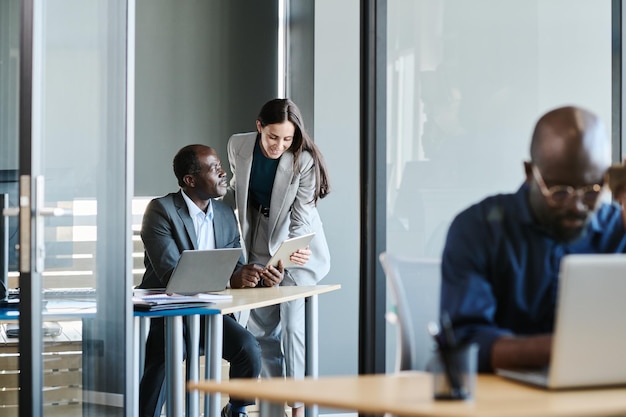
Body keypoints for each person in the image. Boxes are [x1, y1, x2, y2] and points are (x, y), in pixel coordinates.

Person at [440, 105, 626, 373]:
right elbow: (467, 341)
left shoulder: (618, 228)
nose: (577, 206)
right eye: (559, 191)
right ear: (530, 173)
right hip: (500, 401)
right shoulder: (478, 229)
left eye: (592, 191)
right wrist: (575, 348)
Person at [137, 144, 283, 417]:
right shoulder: (161, 210)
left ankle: (236, 410)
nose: (223, 172)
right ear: (190, 180)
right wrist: (231, 279)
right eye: (214, 168)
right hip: (167, 313)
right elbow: (172, 273)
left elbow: (236, 269)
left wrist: (259, 278)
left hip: (206, 313)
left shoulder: (226, 214)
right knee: (167, 354)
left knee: (248, 348)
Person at [227, 98, 331, 417]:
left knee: (292, 326)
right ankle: (273, 409)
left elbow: (300, 218)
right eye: (273, 137)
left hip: (296, 245)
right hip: (259, 232)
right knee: (263, 330)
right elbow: (237, 194)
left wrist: (282, 260)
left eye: (287, 139)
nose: (279, 145)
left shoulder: (305, 160)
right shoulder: (238, 145)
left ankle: (297, 406)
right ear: (260, 126)